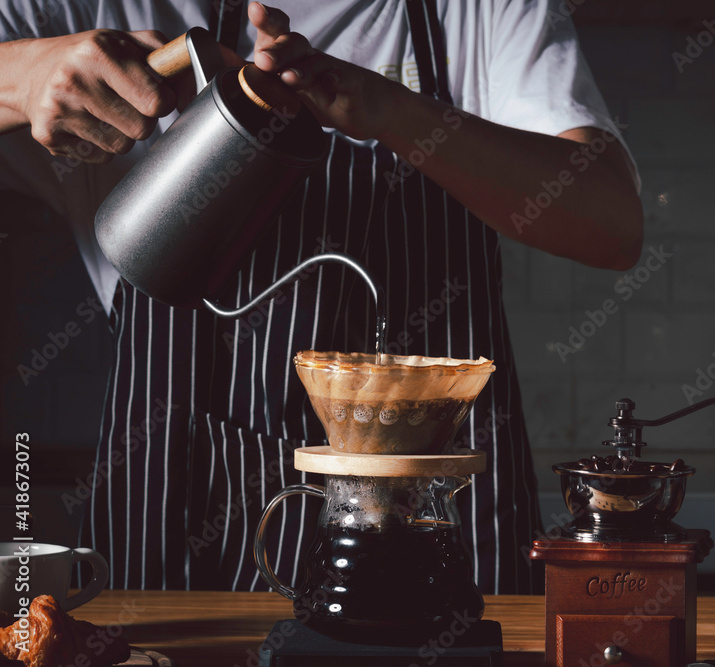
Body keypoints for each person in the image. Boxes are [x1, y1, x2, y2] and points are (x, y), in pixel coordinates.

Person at [0, 0, 642, 593]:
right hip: (183, 520)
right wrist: (25, 75)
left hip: (432, 516)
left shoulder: (476, 11)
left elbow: (612, 225)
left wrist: (390, 112)